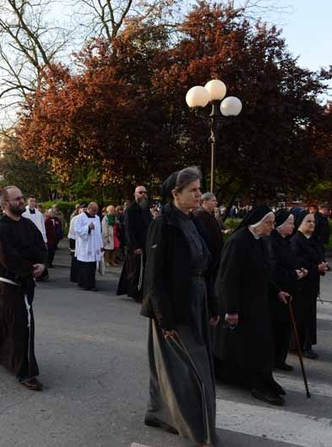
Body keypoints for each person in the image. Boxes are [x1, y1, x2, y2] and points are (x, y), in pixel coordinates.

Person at [140, 167, 219, 447]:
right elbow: (154, 276)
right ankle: (201, 432)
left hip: (196, 301)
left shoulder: (193, 220)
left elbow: (204, 266)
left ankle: (157, 412)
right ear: (176, 194)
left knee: (175, 366)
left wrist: (213, 303)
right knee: (191, 370)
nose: (199, 194)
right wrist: (165, 319)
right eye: (193, 190)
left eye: (199, 189)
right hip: (173, 306)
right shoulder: (164, 224)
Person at [214, 205, 291, 407]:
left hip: (258, 303)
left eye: (273, 223)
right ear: (256, 223)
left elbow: (263, 272)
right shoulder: (238, 241)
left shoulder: (259, 240)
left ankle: (266, 380)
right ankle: (257, 384)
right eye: (269, 222)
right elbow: (228, 278)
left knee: (263, 344)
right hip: (242, 305)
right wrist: (231, 309)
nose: (272, 227)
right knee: (253, 347)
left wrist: (277, 291)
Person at [0, 186, 47, 391]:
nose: (21, 201)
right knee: (22, 326)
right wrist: (30, 268)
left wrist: (42, 264)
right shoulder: (0, 228)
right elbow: (8, 258)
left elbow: (40, 247)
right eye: (17, 199)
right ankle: (25, 371)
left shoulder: (28, 225)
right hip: (11, 283)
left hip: (27, 279)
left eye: (22, 197)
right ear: (5, 204)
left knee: (6, 319)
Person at [268, 210, 308, 371]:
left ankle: (280, 358)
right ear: (280, 225)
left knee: (285, 328)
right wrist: (293, 274)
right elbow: (273, 269)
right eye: (290, 223)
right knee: (276, 328)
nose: (293, 226)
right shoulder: (272, 242)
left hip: (289, 290)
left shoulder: (285, 241)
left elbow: (290, 261)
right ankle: (272, 359)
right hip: (277, 291)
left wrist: (300, 270)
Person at [290, 211, 329, 359]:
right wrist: (315, 268)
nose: (312, 224)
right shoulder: (296, 241)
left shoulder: (312, 240)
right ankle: (301, 345)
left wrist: (323, 265)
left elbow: (318, 256)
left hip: (312, 285)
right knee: (302, 316)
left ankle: (305, 344)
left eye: (313, 221)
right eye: (308, 221)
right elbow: (298, 263)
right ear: (300, 223)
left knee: (309, 316)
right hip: (302, 286)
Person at [117, 186, 152, 302]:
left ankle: (141, 291)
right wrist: (135, 246)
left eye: (145, 192)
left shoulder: (145, 208)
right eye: (140, 192)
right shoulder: (131, 210)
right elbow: (129, 230)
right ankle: (135, 292)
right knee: (135, 270)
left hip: (145, 244)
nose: (143, 194)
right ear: (135, 194)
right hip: (135, 246)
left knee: (142, 269)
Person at [74, 202, 103, 291]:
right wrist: (88, 228)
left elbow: (98, 232)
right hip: (85, 246)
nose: (95, 212)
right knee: (85, 266)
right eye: (94, 210)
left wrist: (101, 245)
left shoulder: (97, 218)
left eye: (96, 211)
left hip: (94, 246)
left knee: (92, 266)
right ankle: (84, 284)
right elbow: (77, 230)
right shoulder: (80, 217)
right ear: (89, 208)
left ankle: (91, 283)